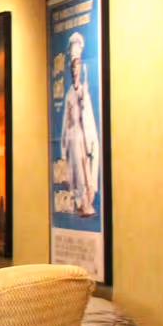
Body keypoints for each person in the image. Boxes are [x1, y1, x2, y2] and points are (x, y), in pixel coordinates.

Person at [60, 30, 100, 217]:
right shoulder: (69, 95)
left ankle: (87, 201)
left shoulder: (83, 91)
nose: (74, 69)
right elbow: (65, 124)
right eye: (72, 65)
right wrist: (63, 145)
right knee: (75, 170)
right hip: (73, 137)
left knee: (85, 165)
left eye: (77, 65)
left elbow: (88, 118)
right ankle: (80, 202)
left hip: (82, 138)